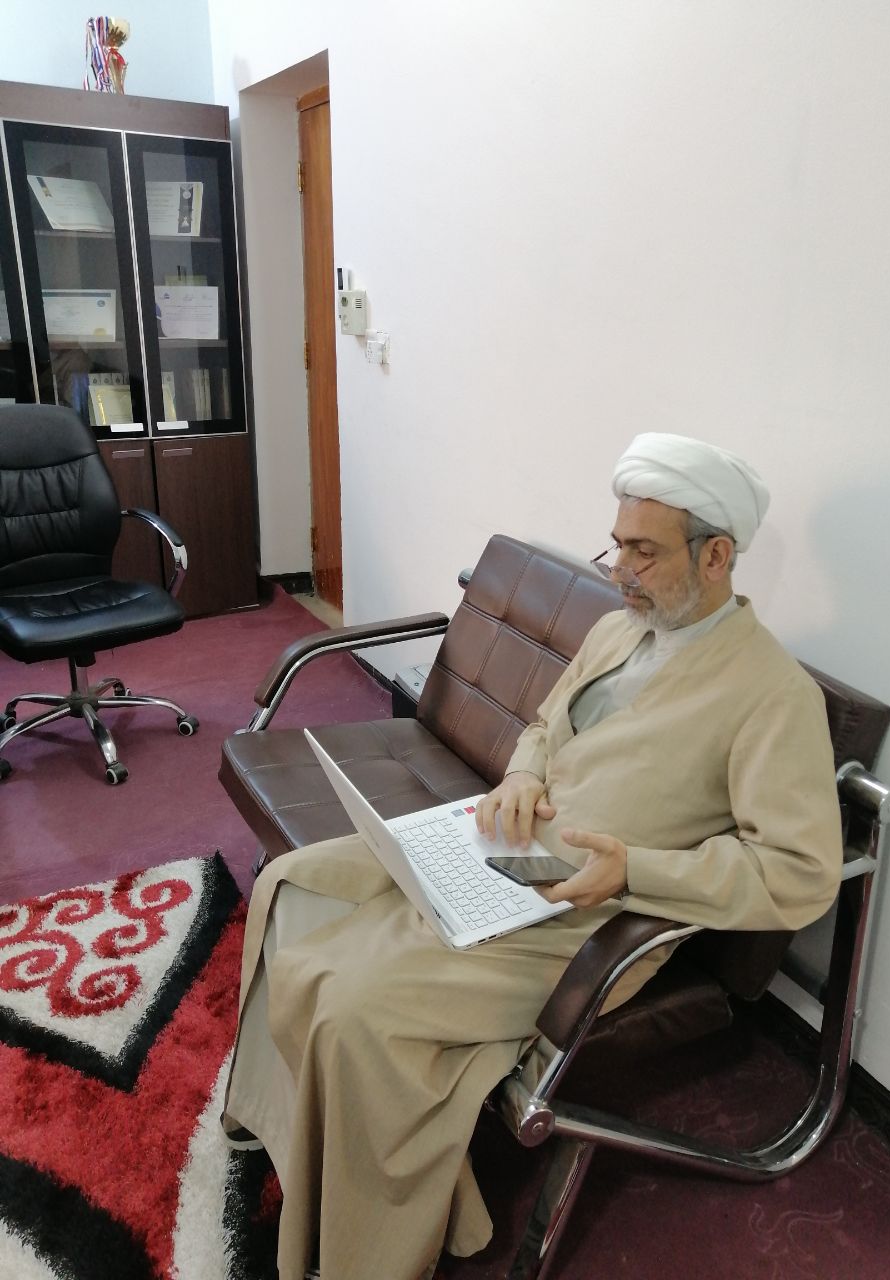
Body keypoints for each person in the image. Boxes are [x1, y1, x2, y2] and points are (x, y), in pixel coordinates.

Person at [221, 433, 843, 1280]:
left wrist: (637, 870)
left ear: (717, 557)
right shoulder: (621, 630)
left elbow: (800, 873)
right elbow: (547, 724)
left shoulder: (771, 695)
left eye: (644, 552)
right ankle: (291, 1134)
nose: (620, 571)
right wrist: (521, 775)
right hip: (499, 846)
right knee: (293, 887)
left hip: (581, 916)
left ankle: (363, 1246)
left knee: (353, 1006)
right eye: (617, 545)